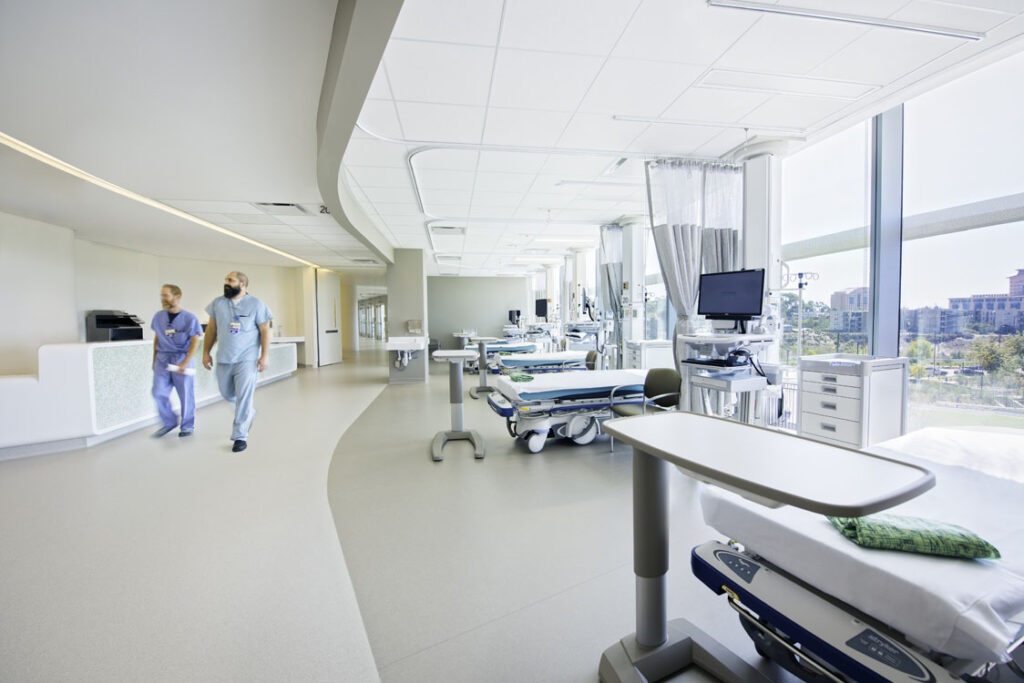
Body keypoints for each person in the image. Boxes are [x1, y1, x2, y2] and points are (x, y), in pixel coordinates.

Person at [202, 271, 272, 452]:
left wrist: (264, 355)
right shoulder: (218, 303)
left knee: (244, 396)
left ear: (242, 284)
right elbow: (211, 329)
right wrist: (206, 352)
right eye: (225, 280)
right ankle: (249, 413)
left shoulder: (257, 304)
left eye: (230, 280)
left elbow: (265, 330)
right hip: (224, 357)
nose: (226, 283)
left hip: (247, 359)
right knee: (226, 393)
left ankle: (240, 436)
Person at [151, 284, 202, 438]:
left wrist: (185, 362)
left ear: (177, 296)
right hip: (163, 358)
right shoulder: (158, 316)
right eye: (161, 295)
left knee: (186, 394)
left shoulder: (189, 318)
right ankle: (169, 422)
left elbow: (195, 341)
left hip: (181, 357)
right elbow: (157, 337)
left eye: (166, 295)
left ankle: (187, 425)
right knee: (158, 391)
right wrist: (154, 359)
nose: (163, 299)